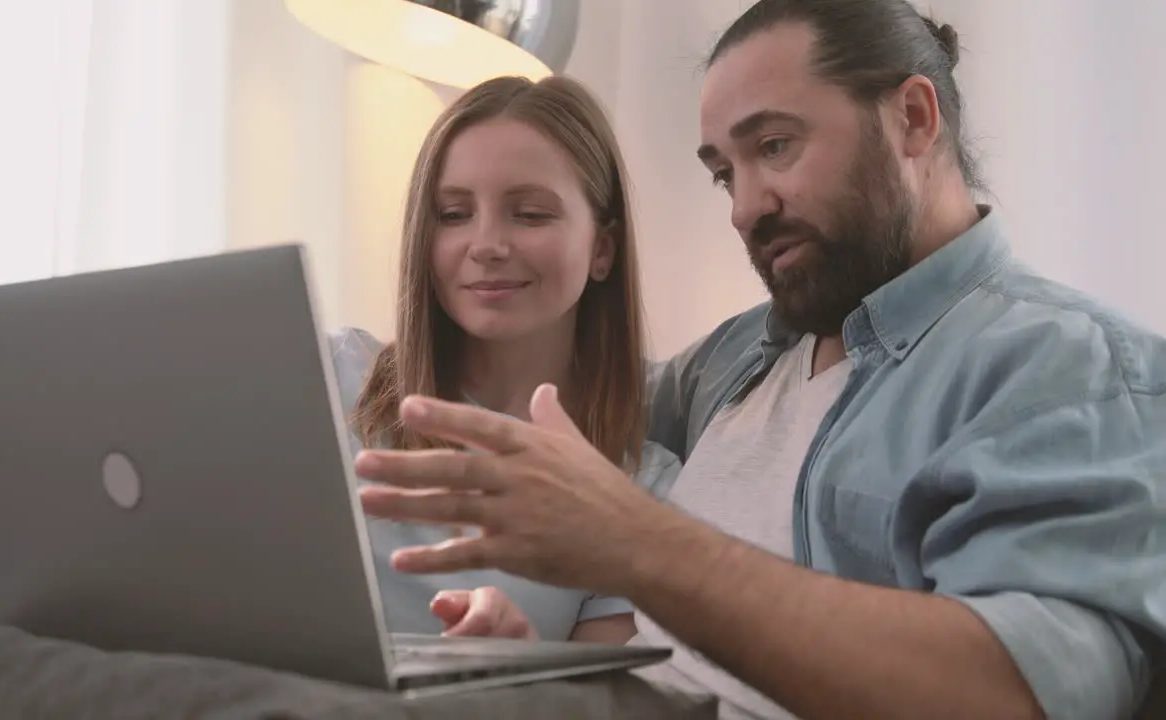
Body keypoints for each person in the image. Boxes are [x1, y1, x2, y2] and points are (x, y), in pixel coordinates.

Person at [348, 1, 1166, 719]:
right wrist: (535, 676)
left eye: (774, 147)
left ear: (914, 119)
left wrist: (637, 543)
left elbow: (1018, 695)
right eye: (722, 175)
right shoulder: (739, 359)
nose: (744, 207)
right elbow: (568, 404)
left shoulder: (1067, 367)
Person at [0, 75, 680, 644]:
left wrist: (519, 662)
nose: (486, 244)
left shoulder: (642, 484)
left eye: (531, 212)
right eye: (452, 214)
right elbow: (135, 425)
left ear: (603, 247)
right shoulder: (327, 373)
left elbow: (609, 696)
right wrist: (3, 391)